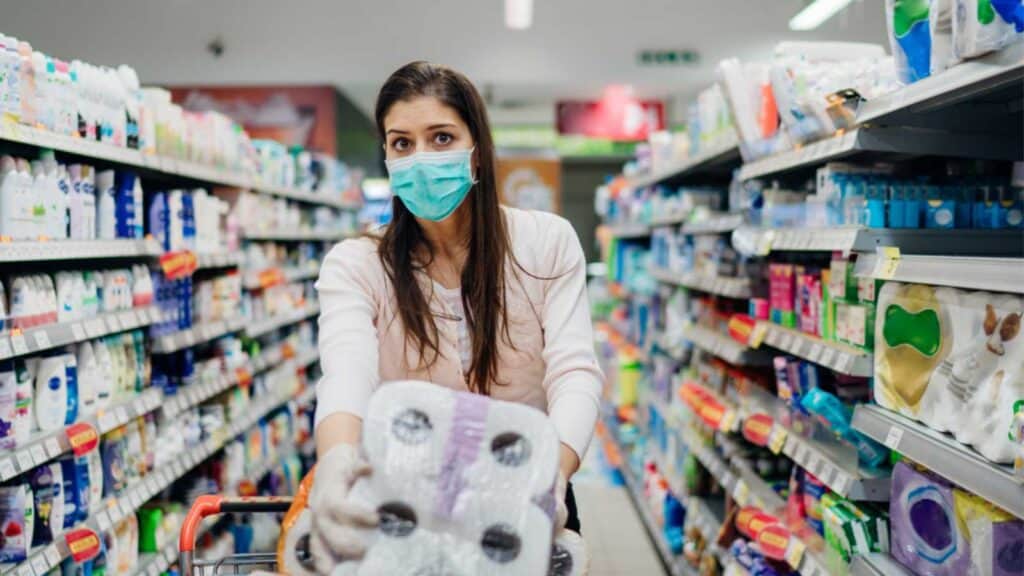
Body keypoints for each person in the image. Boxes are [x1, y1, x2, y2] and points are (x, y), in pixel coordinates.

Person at [309, 60, 602, 572]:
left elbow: (574, 372)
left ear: (477, 153)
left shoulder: (545, 243)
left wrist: (551, 475)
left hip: (530, 486)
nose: (421, 158)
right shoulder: (356, 264)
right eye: (402, 143)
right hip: (407, 502)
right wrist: (335, 461)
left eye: (441, 138)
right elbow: (346, 376)